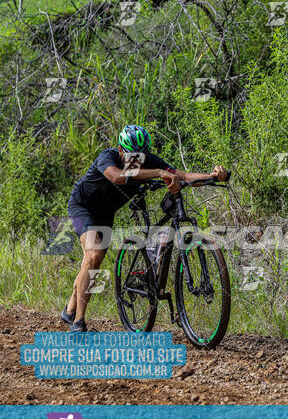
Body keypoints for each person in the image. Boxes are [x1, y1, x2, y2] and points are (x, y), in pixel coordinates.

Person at [62, 124, 228, 332]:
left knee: (94, 260)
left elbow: (183, 175)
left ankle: (69, 310)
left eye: (141, 156)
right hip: (82, 206)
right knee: (93, 254)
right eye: (132, 156)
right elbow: (116, 176)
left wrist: (212, 176)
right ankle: (78, 321)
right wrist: (158, 173)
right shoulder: (108, 157)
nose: (137, 160)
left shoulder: (146, 160)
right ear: (121, 150)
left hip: (105, 214)